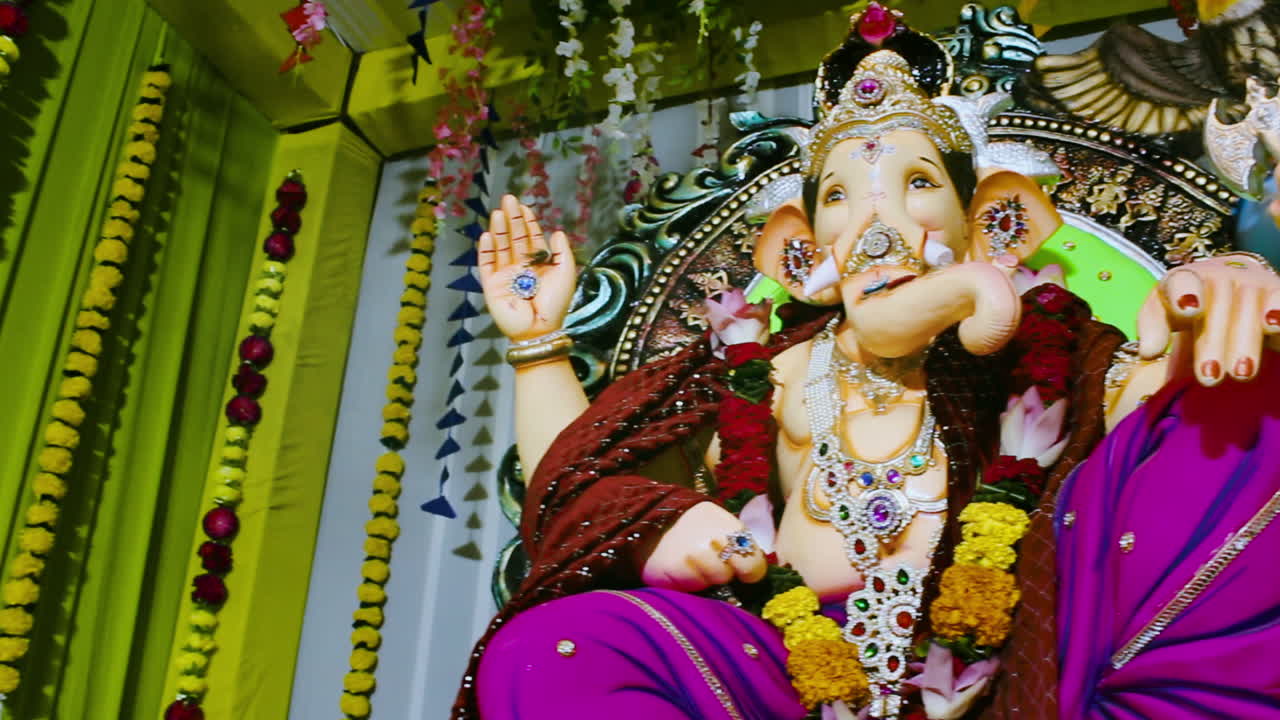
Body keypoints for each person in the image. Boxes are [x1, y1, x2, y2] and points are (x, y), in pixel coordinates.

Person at [453, 7, 1280, 719]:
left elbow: (1164, 408)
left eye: (918, 183)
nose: (877, 223)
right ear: (802, 247)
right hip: (791, 676)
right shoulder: (770, 374)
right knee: (553, 647)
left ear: (990, 223)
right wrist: (540, 348)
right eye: (841, 196)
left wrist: (1232, 295)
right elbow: (579, 485)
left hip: (1020, 662)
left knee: (1242, 418)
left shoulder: (1050, 352)